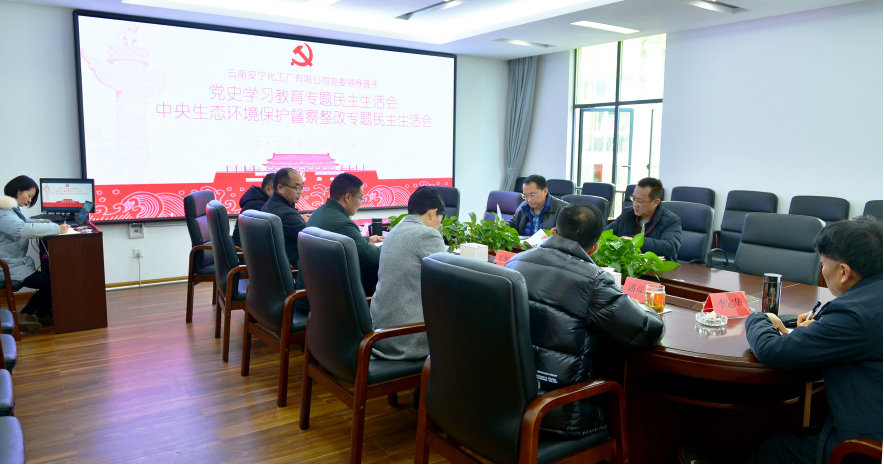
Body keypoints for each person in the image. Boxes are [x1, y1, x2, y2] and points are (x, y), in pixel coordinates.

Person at [506, 202, 665, 438]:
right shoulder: (593, 281)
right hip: (561, 414)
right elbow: (646, 331)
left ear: (553, 232)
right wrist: (641, 305)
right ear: (594, 248)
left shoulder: (515, 262)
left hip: (512, 402)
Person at [742, 216, 883, 464]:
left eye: (823, 264)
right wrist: (820, 322)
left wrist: (758, 318)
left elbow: (773, 350)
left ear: (844, 272)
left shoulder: (853, 315)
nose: (822, 270)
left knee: (774, 449)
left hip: (866, 447)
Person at [369, 186, 447, 361]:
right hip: (407, 337)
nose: (438, 226)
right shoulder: (427, 235)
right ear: (433, 213)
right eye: (440, 221)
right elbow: (448, 281)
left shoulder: (395, 230)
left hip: (379, 332)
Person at [294, 173, 384, 315]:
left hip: (309, 295)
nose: (361, 203)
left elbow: (342, 240)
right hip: (324, 303)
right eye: (360, 198)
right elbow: (373, 258)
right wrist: (392, 243)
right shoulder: (342, 223)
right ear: (348, 197)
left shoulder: (320, 212)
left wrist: (367, 240)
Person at [0, 176, 71, 333]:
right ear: (18, 190)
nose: (29, 200)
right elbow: (23, 229)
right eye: (30, 196)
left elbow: (28, 222)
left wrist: (50, 223)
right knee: (53, 282)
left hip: (14, 263)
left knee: (52, 280)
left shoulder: (11, 210)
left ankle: (42, 314)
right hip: (7, 267)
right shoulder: (3, 212)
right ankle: (26, 314)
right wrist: (56, 229)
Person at [605, 177, 683, 261]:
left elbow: (670, 246)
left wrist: (635, 241)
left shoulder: (671, 220)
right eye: (633, 198)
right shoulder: (627, 214)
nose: (635, 204)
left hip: (655, 267)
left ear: (655, 202)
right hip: (626, 264)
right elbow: (604, 234)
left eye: (640, 201)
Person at [260, 168, 311, 267]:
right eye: (297, 187)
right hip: (293, 268)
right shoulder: (286, 214)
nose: (300, 191)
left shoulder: (270, 204)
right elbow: (313, 238)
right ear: (280, 188)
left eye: (302, 187)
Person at [232, 173, 274, 247]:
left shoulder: (258, 200)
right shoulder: (258, 206)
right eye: (280, 190)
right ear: (268, 190)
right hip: (246, 250)